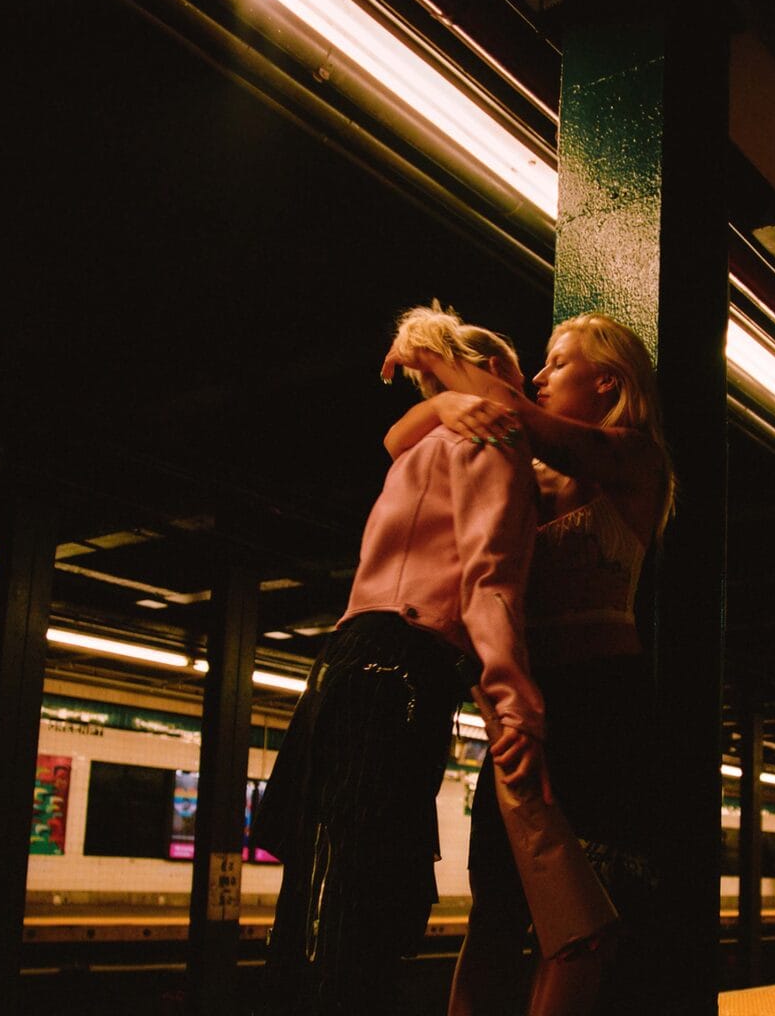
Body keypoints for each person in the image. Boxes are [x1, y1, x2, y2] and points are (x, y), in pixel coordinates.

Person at [253, 303, 547, 1016]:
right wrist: (516, 701)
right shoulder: (487, 440)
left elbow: (398, 435)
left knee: (326, 895)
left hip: (352, 662)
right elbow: (488, 583)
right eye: (517, 367)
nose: (533, 381)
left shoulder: (423, 442)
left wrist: (437, 390)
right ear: (487, 375)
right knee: (367, 902)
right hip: (400, 669)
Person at [382, 311, 675, 1016]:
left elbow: (513, 409)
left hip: (604, 708)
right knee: (496, 911)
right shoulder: (518, 465)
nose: (541, 376)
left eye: (559, 362)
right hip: (520, 708)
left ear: (607, 379)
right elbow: (398, 442)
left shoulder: (635, 460)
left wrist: (428, 345)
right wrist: (449, 400)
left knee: (580, 920)